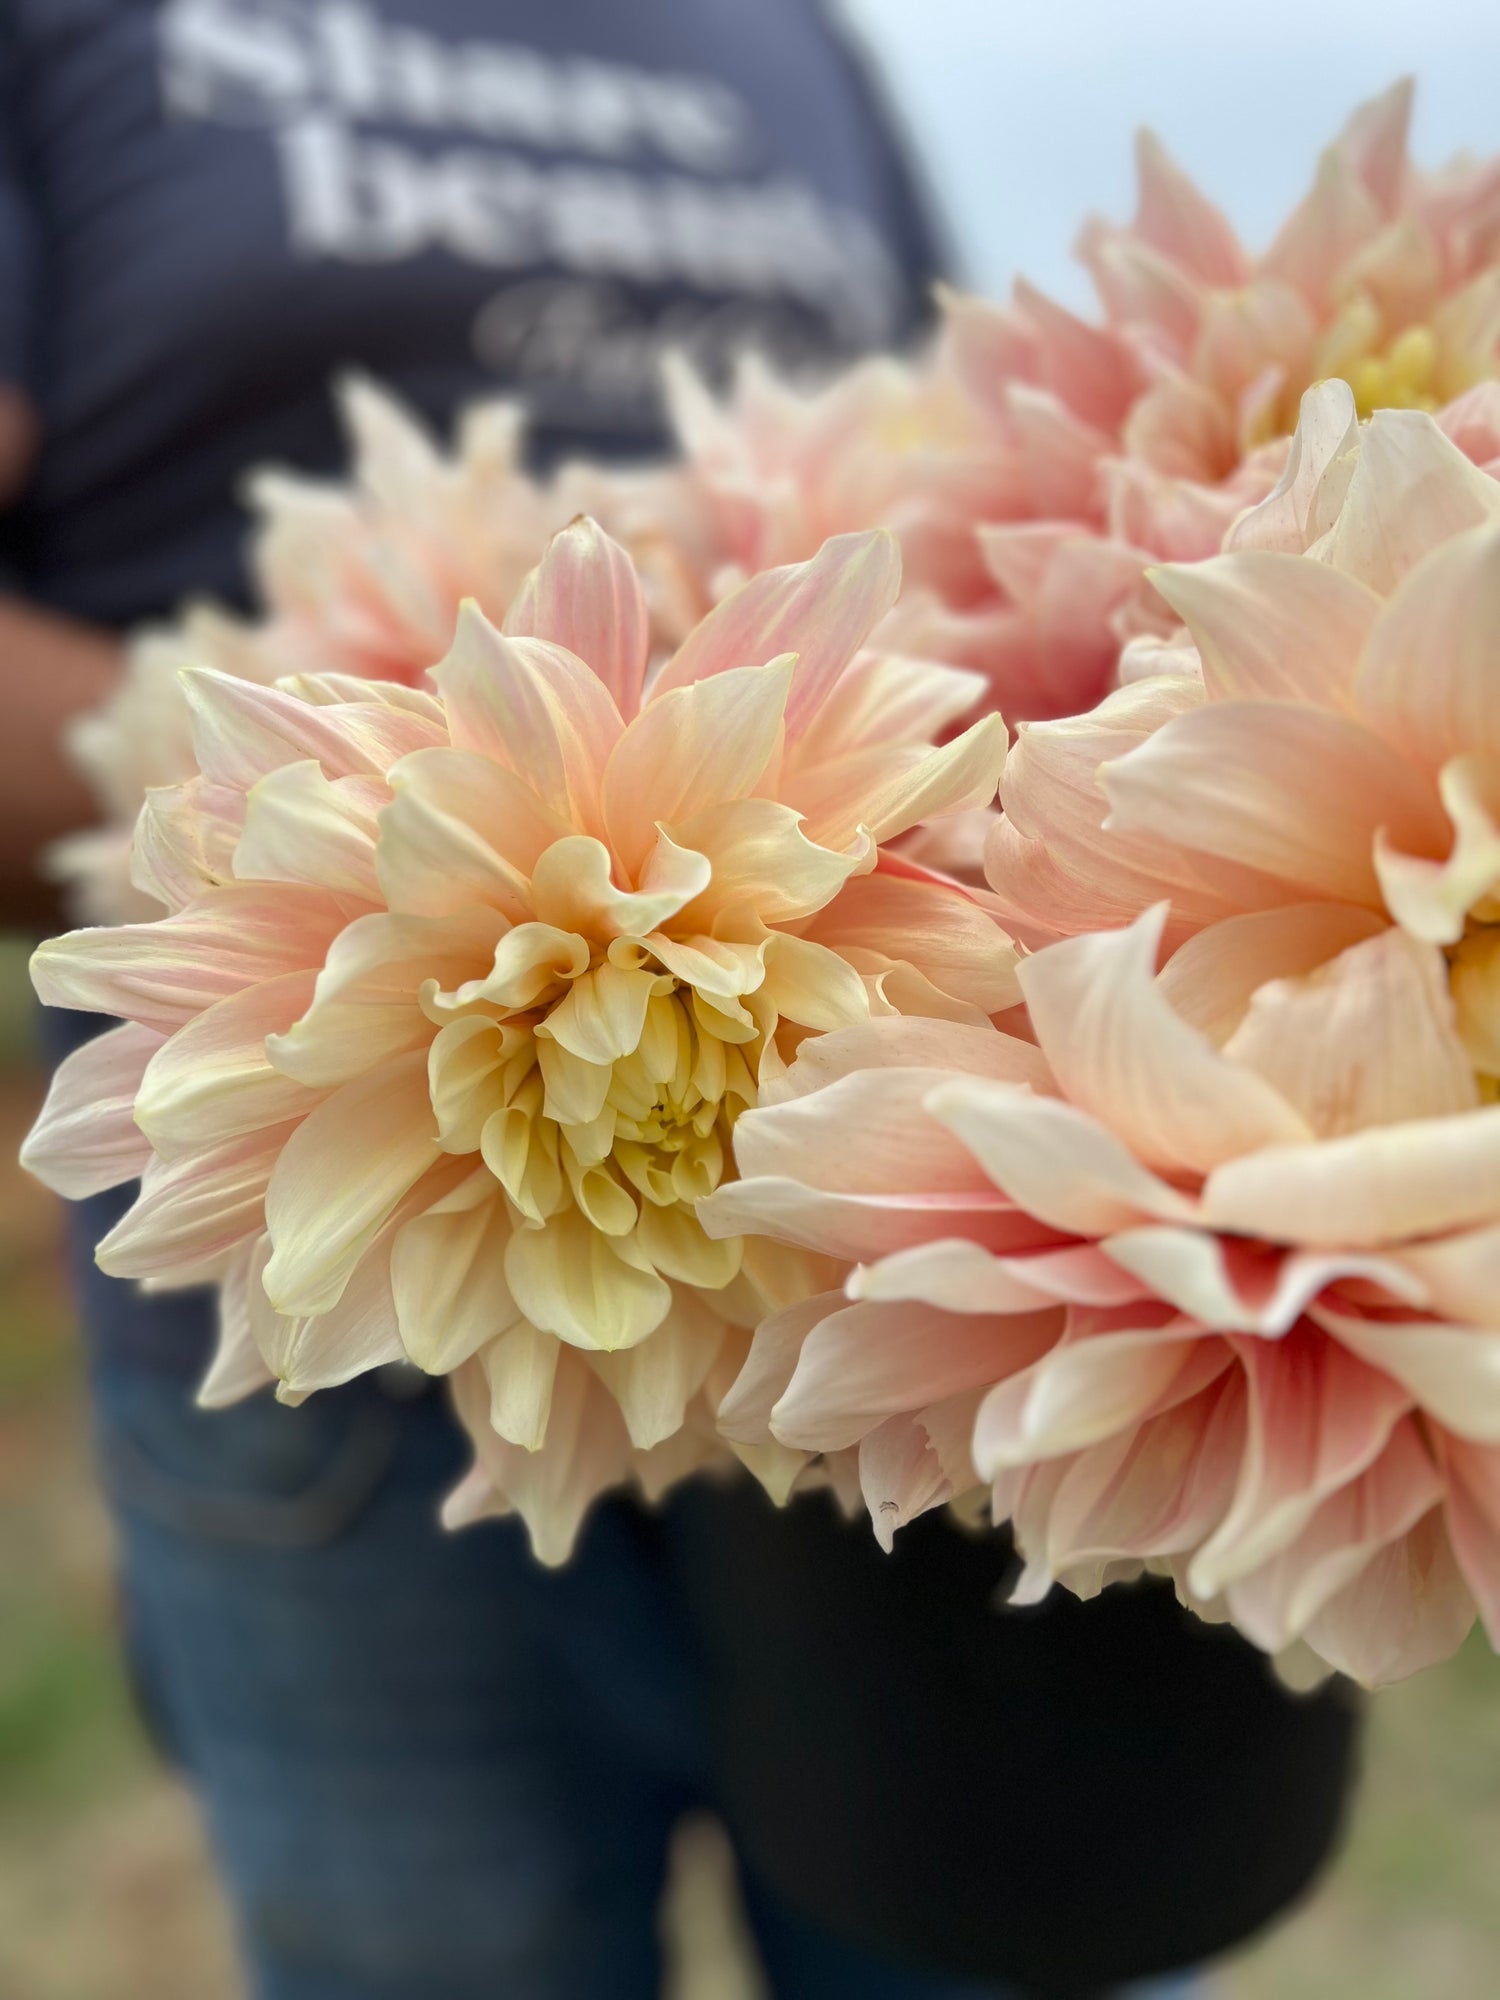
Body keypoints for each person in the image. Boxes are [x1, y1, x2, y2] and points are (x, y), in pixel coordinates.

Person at [0, 5, 1358, 1997]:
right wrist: (302, 792)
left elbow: (953, 456)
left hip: (936, 1275)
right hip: (339, 1237)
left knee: (1016, 1939)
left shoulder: (789, 41)